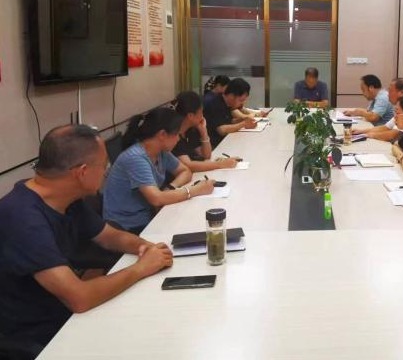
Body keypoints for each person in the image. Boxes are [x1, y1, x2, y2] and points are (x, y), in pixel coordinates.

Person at [0, 125, 174, 351]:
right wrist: (141, 268)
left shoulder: (64, 197)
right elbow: (79, 297)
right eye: (104, 165)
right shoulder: (23, 218)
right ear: (82, 172)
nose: (106, 172)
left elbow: (109, 236)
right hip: (38, 336)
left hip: (66, 314)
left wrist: (147, 247)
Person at [103, 107, 214, 234]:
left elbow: (185, 171)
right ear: (162, 135)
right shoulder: (136, 158)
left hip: (150, 215)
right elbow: (156, 199)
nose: (178, 139)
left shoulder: (160, 152)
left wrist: (170, 188)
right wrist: (195, 190)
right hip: (127, 226)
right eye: (176, 134)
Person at [173, 91, 239, 171]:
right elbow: (188, 165)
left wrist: (203, 131)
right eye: (201, 112)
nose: (202, 116)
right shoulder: (173, 134)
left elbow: (206, 155)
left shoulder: (190, 130)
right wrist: (221, 164)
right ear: (190, 116)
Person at [352, 77, 403, 142]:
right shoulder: (399, 108)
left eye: (390, 90)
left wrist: (367, 135)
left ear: (401, 93)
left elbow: (393, 135)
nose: (388, 94)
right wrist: (361, 131)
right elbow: (385, 127)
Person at [204, 77, 257, 148]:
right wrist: (244, 123)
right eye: (241, 100)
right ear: (231, 96)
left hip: (225, 140)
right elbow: (222, 130)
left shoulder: (228, 103)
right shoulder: (215, 103)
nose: (242, 104)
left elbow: (228, 121)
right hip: (215, 145)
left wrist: (244, 119)